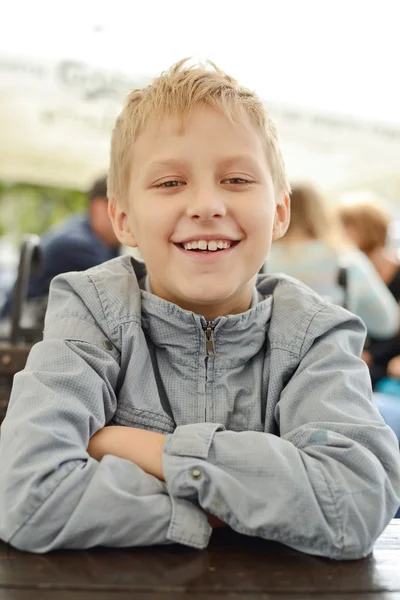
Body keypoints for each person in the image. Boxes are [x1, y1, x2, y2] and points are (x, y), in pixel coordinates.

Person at [0, 60, 399, 559]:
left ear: (279, 211)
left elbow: (356, 503)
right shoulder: (93, 308)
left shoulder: (316, 333)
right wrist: (234, 507)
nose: (206, 204)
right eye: (170, 183)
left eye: (236, 179)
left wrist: (130, 446)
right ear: (124, 220)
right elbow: (29, 496)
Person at [267, 184, 400, 340]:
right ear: (320, 213)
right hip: (333, 360)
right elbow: (386, 323)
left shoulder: (259, 261)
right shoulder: (346, 259)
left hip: (273, 360)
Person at [0, 175, 121, 320]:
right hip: (20, 331)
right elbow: (119, 290)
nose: (126, 217)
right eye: (121, 208)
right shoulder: (77, 243)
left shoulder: (101, 239)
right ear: (98, 207)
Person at [338, 193, 400, 385]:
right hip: (362, 365)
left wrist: (370, 356)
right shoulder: (348, 274)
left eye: (344, 228)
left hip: (389, 367)